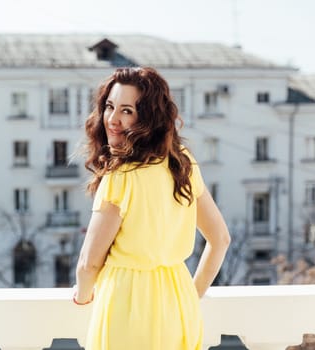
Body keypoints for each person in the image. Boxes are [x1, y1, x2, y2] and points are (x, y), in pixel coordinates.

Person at [74, 67, 231, 350]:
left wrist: (82, 297)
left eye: (127, 111)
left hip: (126, 306)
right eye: (110, 106)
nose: (113, 119)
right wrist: (190, 296)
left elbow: (89, 263)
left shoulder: (120, 177)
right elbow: (220, 239)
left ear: (148, 117)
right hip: (179, 302)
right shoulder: (182, 164)